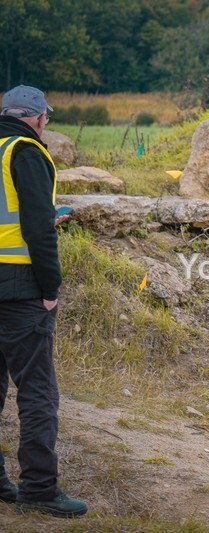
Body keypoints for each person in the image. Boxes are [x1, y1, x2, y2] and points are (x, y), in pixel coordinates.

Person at [0, 85, 88, 518]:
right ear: (36, 117)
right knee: (36, 392)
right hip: (19, 289)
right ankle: (38, 487)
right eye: (46, 119)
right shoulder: (27, 152)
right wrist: (51, 289)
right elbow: (36, 229)